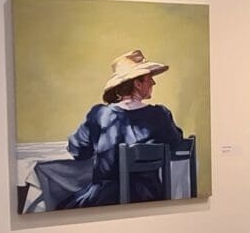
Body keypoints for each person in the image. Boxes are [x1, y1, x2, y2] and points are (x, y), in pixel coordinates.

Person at [58, 49, 184, 209]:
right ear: (137, 84)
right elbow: (175, 143)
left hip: (105, 200)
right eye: (149, 78)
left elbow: (78, 150)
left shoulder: (100, 114)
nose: (153, 83)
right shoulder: (160, 115)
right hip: (150, 198)